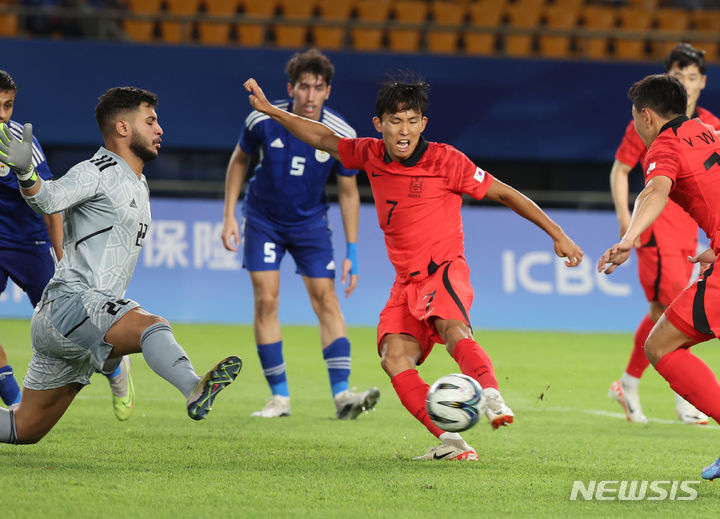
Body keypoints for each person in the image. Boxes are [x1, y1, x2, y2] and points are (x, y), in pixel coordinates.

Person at [242, 73, 584, 460]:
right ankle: (453, 443)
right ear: (379, 125)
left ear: (423, 123)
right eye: (394, 121)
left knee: (451, 328)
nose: (403, 131)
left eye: (411, 121)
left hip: (444, 270)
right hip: (405, 284)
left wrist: (557, 233)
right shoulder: (369, 153)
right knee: (393, 357)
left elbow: (504, 192)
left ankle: (491, 396)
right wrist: (271, 111)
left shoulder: (447, 161)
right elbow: (322, 137)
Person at [0, 86, 241, 444]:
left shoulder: (138, 182)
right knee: (153, 326)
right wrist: (27, 175)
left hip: (75, 323)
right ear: (123, 129)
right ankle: (194, 388)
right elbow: (49, 199)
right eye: (151, 121)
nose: (160, 129)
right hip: (71, 304)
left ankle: (114, 366)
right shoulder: (95, 170)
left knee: (24, 429)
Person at [221, 49, 379, 420]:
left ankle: (343, 396)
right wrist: (229, 214)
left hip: (310, 224)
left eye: (317, 88)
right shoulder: (261, 117)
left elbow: (348, 191)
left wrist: (352, 250)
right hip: (262, 220)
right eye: (303, 87)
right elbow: (239, 160)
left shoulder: (342, 134)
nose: (309, 95)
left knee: (327, 300)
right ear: (291, 88)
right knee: (267, 299)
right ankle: (279, 399)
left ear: (328, 92)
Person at [599, 73, 720, 480]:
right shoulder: (706, 129)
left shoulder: (664, 145)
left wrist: (630, 237)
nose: (634, 124)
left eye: (634, 116)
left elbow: (654, 191)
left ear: (646, 116)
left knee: (662, 346)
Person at [0, 69, 136, 421]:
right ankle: (15, 400)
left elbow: (50, 201)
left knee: (74, 323)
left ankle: (114, 369)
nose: (3, 114)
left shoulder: (20, 143)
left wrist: (61, 256)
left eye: (9, 105)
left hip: (29, 243)